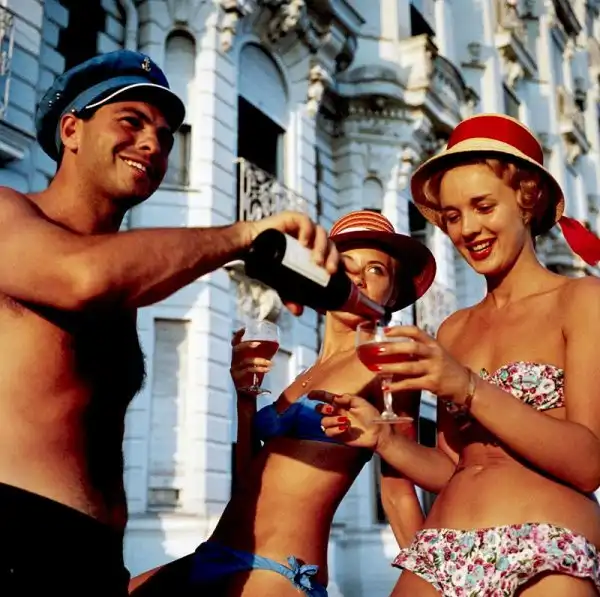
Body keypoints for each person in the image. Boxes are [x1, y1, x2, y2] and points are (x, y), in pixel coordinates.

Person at [0, 49, 339, 596]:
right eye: (130, 121)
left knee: (272, 576)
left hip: (95, 561)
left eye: (165, 134)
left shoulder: (126, 281)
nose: (153, 144)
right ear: (71, 130)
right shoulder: (9, 211)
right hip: (17, 538)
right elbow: (80, 277)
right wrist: (244, 236)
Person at [319, 114, 600, 596]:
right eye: (452, 216)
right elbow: (452, 468)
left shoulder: (582, 300)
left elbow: (588, 462)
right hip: (442, 552)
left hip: (545, 545)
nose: (468, 228)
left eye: (483, 206)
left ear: (527, 199)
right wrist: (383, 439)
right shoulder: (453, 328)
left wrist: (467, 387)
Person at [127, 209, 437, 597]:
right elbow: (250, 483)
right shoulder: (302, 376)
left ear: (394, 293)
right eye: (346, 265)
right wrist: (245, 401)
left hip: (278, 570)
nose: (358, 277)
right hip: (218, 552)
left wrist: (433, 583)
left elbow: (397, 493)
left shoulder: (384, 362)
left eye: (376, 270)